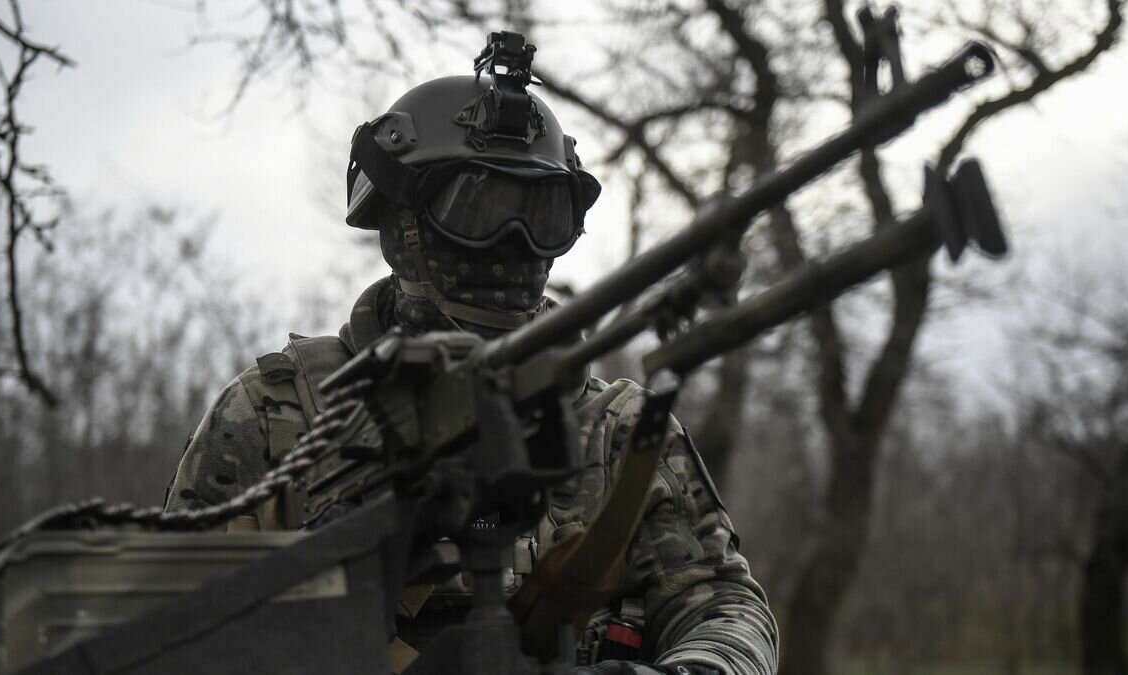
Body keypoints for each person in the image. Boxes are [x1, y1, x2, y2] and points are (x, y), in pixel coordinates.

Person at [165, 31, 777, 675]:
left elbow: (723, 605)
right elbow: (163, 630)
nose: (513, 246)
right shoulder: (276, 415)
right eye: (478, 208)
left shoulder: (621, 433)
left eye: (540, 215)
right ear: (401, 229)